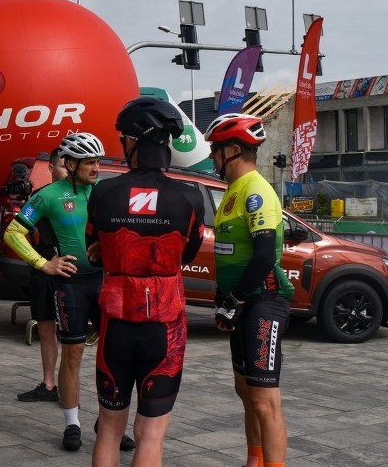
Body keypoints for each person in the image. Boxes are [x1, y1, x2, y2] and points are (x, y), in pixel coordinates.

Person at [86, 97, 204, 466]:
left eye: (124, 137)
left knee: (108, 427)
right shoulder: (190, 196)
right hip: (164, 329)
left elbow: (96, 246)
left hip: (116, 325)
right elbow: (187, 255)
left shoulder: (103, 192)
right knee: (152, 434)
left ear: (135, 140)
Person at [4, 133, 134, 453]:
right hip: (71, 285)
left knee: (114, 354)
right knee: (73, 354)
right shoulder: (48, 196)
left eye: (98, 161)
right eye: (90, 162)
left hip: (105, 283)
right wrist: (43, 263)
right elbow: (13, 232)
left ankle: (106, 420)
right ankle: (71, 423)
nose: (96, 168)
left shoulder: (103, 192)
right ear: (71, 163)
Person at [204, 113, 294, 467]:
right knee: (245, 392)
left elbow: (262, 256)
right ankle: (253, 461)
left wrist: (235, 301)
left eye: (215, 151)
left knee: (263, 398)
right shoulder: (232, 191)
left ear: (234, 149)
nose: (212, 158)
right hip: (240, 302)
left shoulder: (256, 190)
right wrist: (223, 300)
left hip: (263, 301)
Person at [15, 148, 67, 404]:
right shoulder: (40, 198)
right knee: (46, 330)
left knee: (74, 335)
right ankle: (49, 384)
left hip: (74, 273)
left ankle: (71, 387)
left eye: (71, 165)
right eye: (62, 166)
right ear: (51, 168)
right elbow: (15, 233)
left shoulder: (87, 195)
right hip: (45, 269)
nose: (67, 171)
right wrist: (41, 263)